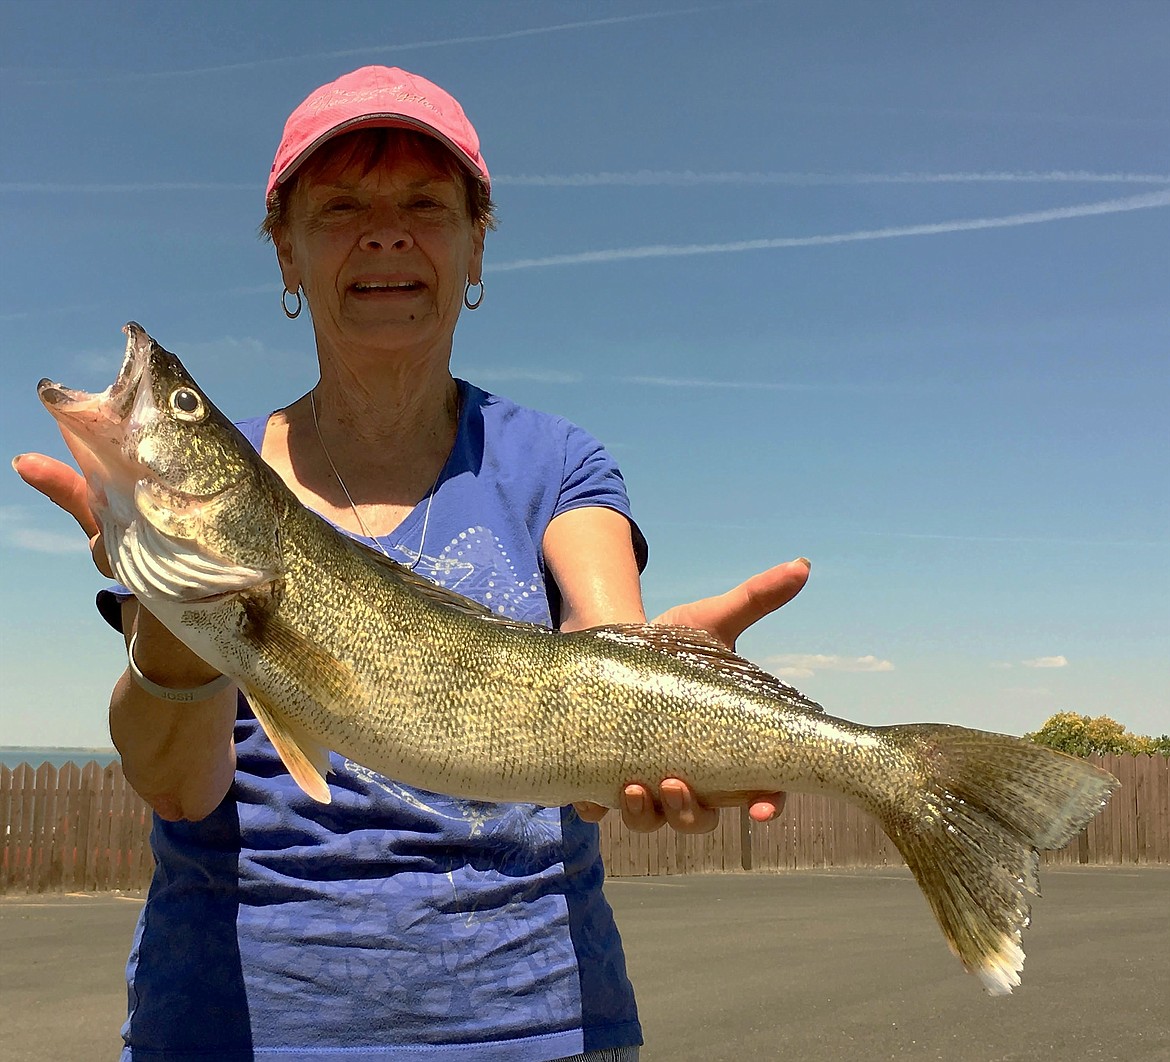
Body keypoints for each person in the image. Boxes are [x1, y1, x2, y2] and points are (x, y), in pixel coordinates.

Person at [14, 66, 809, 1061]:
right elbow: (179, 790)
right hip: (232, 1028)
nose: (385, 232)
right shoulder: (219, 515)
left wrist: (661, 687)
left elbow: (604, 656)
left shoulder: (561, 464)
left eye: (426, 206)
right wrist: (173, 607)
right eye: (341, 206)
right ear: (287, 254)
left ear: (476, 244)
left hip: (538, 1027)